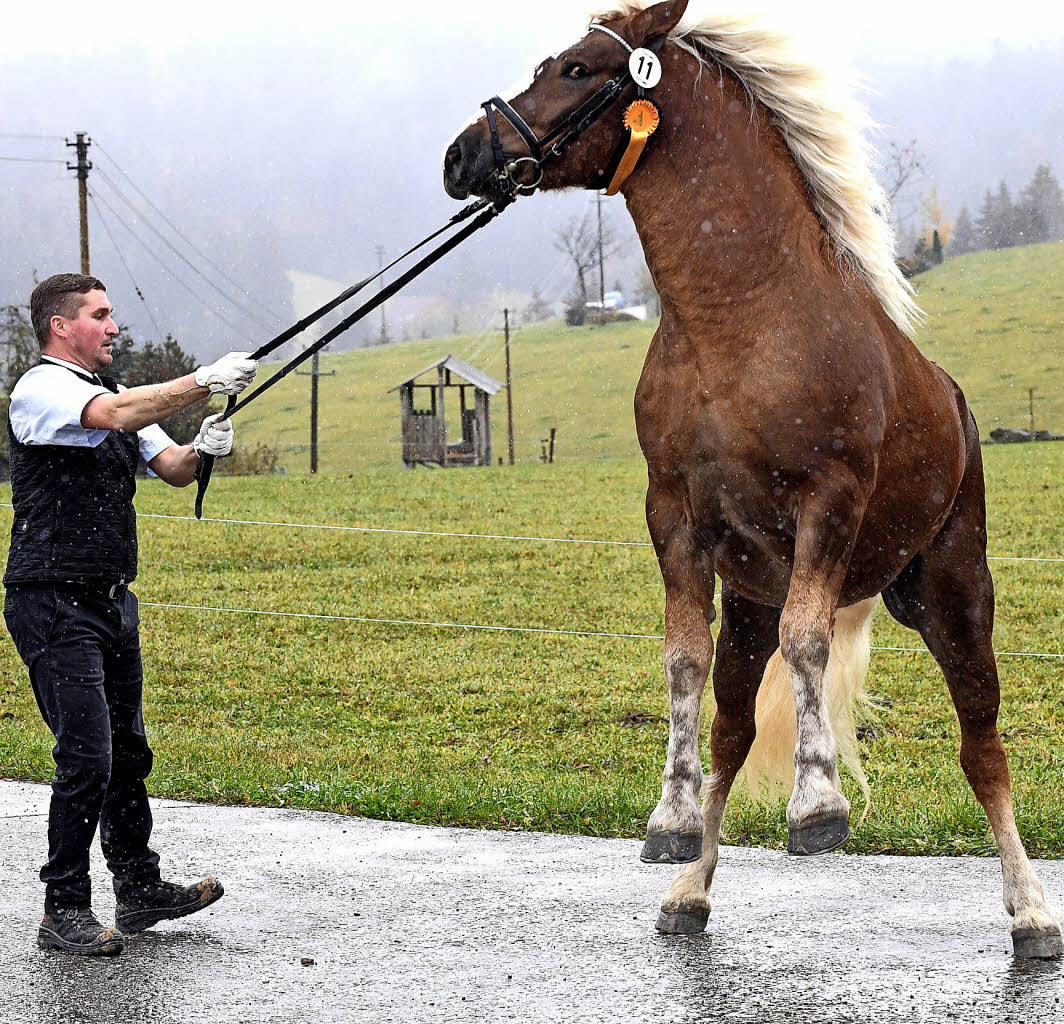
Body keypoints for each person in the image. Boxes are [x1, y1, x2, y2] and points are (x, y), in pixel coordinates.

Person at [3, 273, 258, 956]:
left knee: (128, 753)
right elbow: (114, 418)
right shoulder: (42, 390)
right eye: (101, 315)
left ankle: (138, 889)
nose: (115, 327)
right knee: (86, 757)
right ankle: (63, 909)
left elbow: (170, 466)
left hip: (113, 599)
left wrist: (202, 448)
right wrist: (202, 380)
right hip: (51, 599)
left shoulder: (116, 395)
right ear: (62, 326)